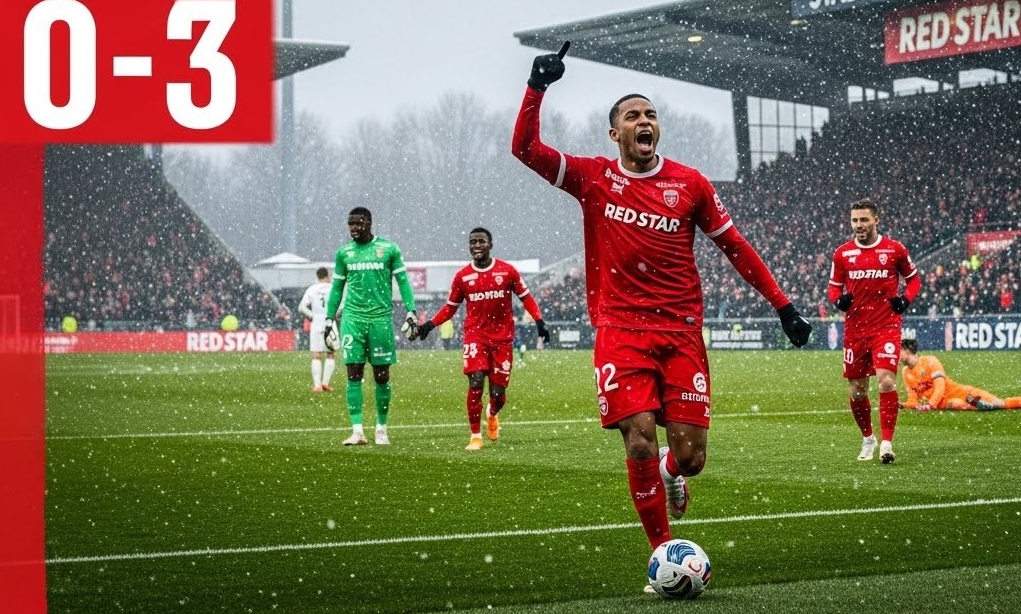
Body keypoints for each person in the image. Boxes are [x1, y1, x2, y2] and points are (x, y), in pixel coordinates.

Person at [512, 42, 812, 585]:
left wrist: (783, 306)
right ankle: (663, 554)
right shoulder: (593, 178)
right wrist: (537, 88)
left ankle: (675, 474)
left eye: (651, 115)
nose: (644, 121)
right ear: (615, 133)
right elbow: (525, 149)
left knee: (691, 456)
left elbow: (736, 246)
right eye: (633, 116)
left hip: (681, 334)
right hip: (621, 333)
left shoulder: (690, 184)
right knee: (640, 437)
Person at [415, 227, 550, 451]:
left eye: (481, 241)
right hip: (475, 337)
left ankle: (493, 413)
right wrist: (429, 325)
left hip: (502, 340)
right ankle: (475, 435)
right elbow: (450, 308)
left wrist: (539, 321)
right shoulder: (462, 277)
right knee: (475, 381)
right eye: (472, 242)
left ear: (490, 244)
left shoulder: (507, 272)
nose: (476, 246)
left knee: (498, 394)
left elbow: (526, 298)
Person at [826, 198, 921, 464]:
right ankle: (868, 438)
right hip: (855, 330)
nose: (859, 225)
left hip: (886, 327)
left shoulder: (894, 250)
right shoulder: (842, 254)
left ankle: (887, 444)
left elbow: (914, 280)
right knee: (857, 390)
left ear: (876, 220)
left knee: (887, 381)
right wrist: (838, 300)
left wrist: (905, 300)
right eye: (855, 220)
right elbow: (834, 287)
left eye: (864, 219)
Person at [323, 207, 420, 446]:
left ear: (369, 223)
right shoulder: (344, 253)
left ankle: (381, 429)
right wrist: (329, 319)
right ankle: (357, 431)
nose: (354, 228)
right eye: (350, 224)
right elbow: (336, 289)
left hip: (380, 320)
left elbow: (403, 281)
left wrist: (411, 310)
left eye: (358, 223)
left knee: (381, 375)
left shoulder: (388, 249)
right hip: (353, 320)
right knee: (353, 373)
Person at [899, 339, 1021, 410]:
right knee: (953, 404)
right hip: (948, 403)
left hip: (961, 392)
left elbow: (940, 387)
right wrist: (904, 405)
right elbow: (913, 399)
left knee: (1001, 403)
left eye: (899, 351)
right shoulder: (905, 372)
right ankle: (979, 407)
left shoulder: (930, 361)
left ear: (907, 351)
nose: (896, 356)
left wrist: (931, 404)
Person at [298, 267, 336, 393]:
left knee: (316, 354)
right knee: (331, 353)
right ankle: (325, 383)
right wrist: (335, 316)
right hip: (330, 322)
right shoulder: (333, 288)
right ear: (328, 275)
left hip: (317, 323)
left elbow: (302, 307)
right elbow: (341, 305)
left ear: (317, 276)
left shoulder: (312, 289)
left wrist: (312, 317)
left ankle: (317, 385)